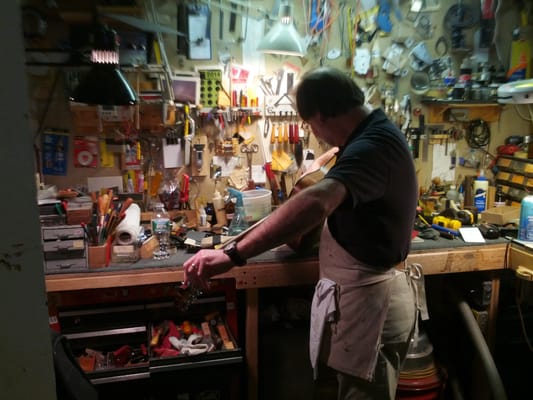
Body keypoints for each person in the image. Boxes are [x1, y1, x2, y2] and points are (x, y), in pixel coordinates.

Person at [183, 66, 419, 399]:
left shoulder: (372, 146)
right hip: (358, 303)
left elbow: (317, 202)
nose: (317, 136)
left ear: (320, 116)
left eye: (309, 125)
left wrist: (232, 255)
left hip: (374, 308)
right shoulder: (367, 140)